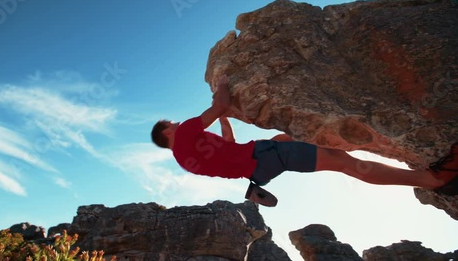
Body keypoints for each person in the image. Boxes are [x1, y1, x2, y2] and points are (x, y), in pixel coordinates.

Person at [151, 75, 458, 202]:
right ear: (167, 131)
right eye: (172, 122)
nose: (177, 122)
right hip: (265, 157)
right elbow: (219, 102)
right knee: (343, 162)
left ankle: (312, 148)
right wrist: (222, 82)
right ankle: (432, 180)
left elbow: (228, 146)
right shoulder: (187, 131)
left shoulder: (183, 158)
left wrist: (224, 118)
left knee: (290, 136)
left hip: (258, 166)